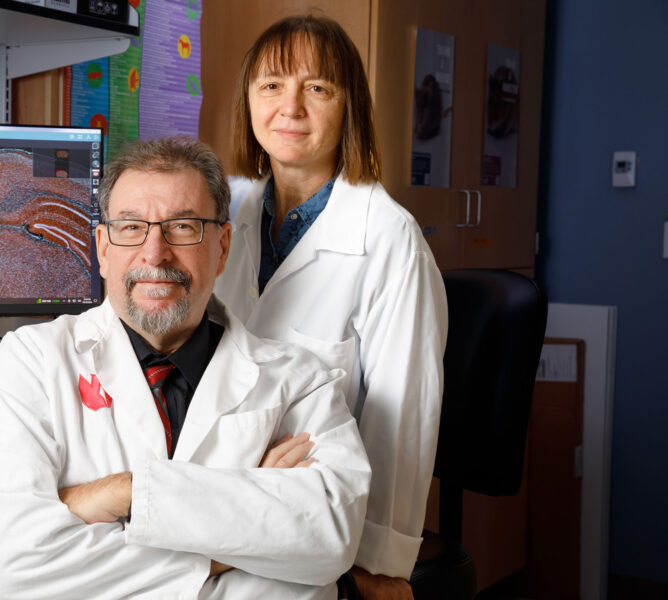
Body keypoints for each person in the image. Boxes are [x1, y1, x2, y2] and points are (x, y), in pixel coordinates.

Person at [0, 137, 371, 599]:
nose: (154, 254)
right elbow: (10, 568)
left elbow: (330, 539)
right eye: (131, 228)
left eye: (182, 226)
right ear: (102, 247)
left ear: (222, 246)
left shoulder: (300, 383)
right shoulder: (28, 363)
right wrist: (242, 538)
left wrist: (122, 496)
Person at [213, 15, 448, 599]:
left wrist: (379, 562)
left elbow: (403, 414)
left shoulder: (389, 239)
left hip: (317, 515)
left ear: (350, 108)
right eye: (272, 86)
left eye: (317, 88)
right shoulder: (226, 211)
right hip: (219, 500)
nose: (290, 107)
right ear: (248, 102)